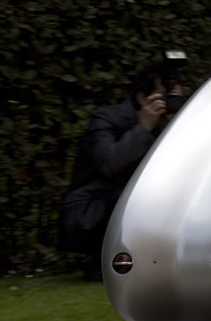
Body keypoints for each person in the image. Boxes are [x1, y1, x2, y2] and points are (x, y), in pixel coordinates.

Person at [61, 64, 182, 279]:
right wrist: (143, 127)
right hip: (90, 211)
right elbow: (109, 164)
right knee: (138, 199)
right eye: (163, 96)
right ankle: (106, 263)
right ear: (142, 98)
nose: (168, 102)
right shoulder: (105, 118)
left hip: (122, 205)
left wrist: (175, 129)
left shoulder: (166, 126)